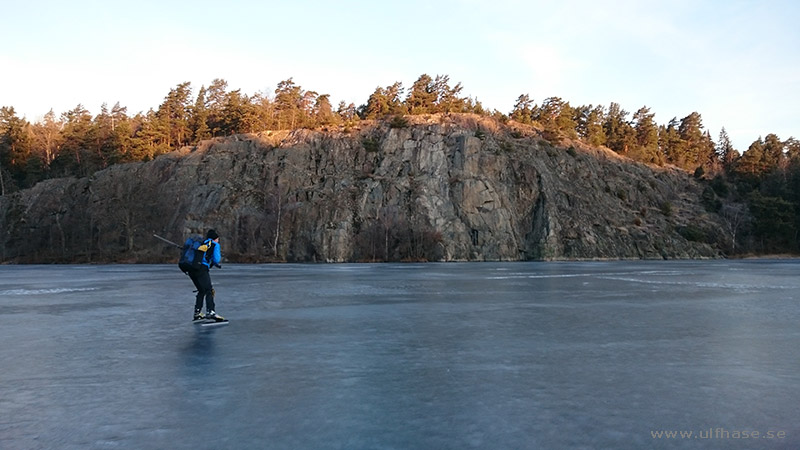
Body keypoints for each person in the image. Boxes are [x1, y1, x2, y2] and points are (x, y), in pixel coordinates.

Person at [189, 229, 223, 321]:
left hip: (191, 269)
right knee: (209, 290)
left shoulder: (201, 243)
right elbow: (216, 259)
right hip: (201, 269)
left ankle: (197, 313)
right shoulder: (214, 245)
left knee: (201, 290)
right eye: (218, 239)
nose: (218, 241)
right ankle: (211, 312)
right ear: (215, 238)